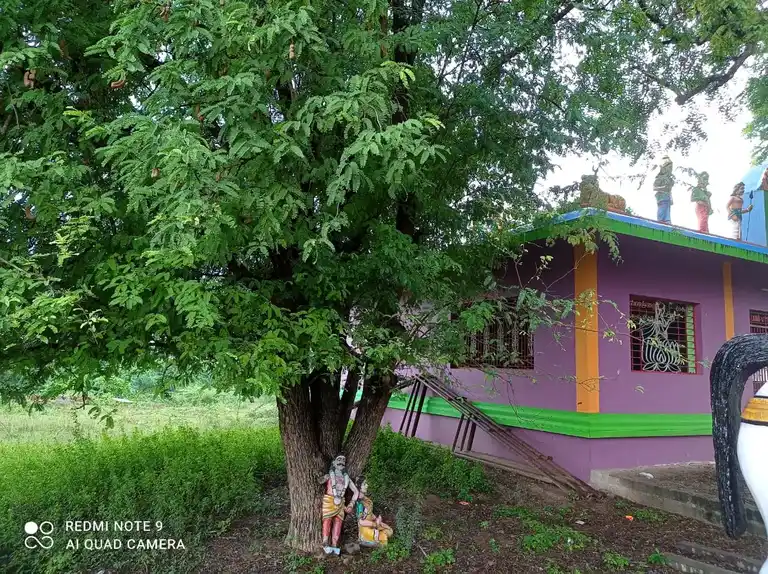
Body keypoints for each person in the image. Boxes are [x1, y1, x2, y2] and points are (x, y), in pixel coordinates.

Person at [319, 454, 358, 555]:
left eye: (343, 460)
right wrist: (325, 477)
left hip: (341, 503)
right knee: (327, 520)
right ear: (333, 463)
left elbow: (356, 492)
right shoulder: (330, 476)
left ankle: (334, 545)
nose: (341, 462)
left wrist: (351, 504)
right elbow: (319, 481)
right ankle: (325, 542)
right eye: (339, 459)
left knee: (338, 522)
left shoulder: (346, 478)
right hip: (329, 501)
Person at [353, 476, 393, 548]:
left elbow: (369, 513)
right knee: (382, 537)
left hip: (372, 523)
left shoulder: (366, 499)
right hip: (365, 528)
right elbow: (361, 522)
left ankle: (377, 539)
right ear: (359, 487)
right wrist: (375, 524)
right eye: (364, 484)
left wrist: (376, 519)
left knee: (389, 531)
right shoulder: (359, 503)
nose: (367, 485)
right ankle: (366, 540)